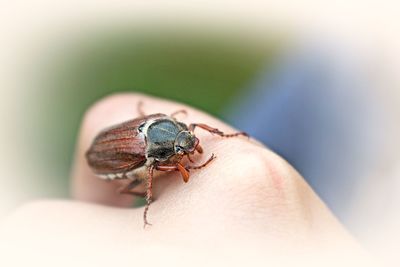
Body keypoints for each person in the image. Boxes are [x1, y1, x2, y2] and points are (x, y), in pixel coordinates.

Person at [0, 93, 368, 266]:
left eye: (188, 142)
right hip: (108, 159)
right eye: (183, 150)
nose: (191, 148)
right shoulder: (154, 155)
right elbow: (166, 171)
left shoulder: (174, 127)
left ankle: (225, 137)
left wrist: (220, 140)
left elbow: (185, 143)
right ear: (167, 151)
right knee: (141, 179)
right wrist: (155, 194)